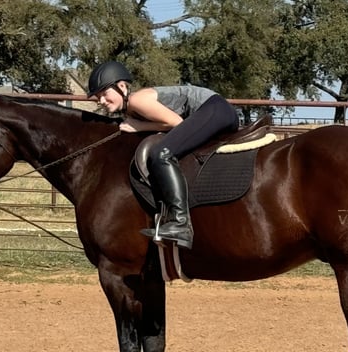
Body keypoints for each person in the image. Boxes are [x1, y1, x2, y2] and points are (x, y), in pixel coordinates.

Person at [87, 61, 239, 249]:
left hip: (214, 109)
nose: (101, 100)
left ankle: (181, 223)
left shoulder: (137, 100)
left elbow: (176, 122)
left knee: (162, 153)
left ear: (121, 87)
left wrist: (141, 126)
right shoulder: (131, 110)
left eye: (104, 93)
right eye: (97, 97)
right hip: (214, 111)